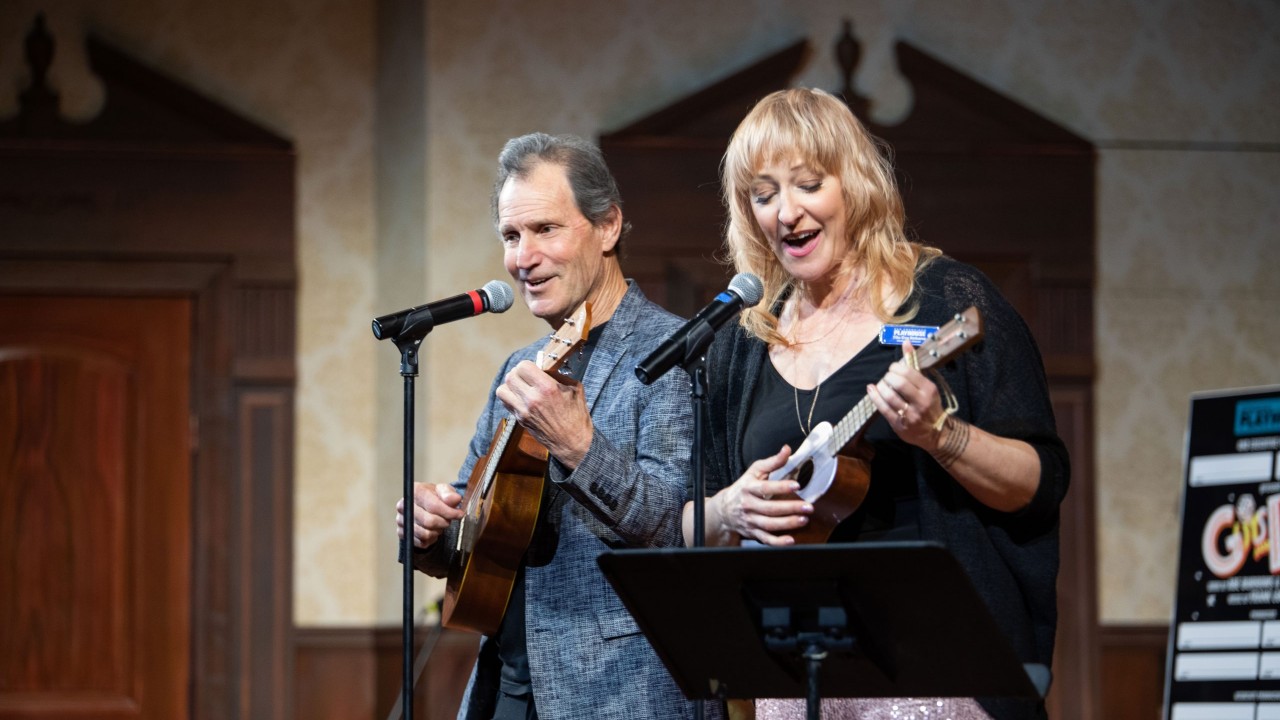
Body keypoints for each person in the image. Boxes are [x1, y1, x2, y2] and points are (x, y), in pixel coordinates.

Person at [684, 88, 1070, 720]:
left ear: (855, 185)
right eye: (764, 194)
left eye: (808, 184)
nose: (786, 212)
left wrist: (942, 436)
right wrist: (731, 508)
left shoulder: (945, 299)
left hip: (932, 672)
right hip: (794, 678)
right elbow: (690, 521)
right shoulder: (744, 340)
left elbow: (1041, 483)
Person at [397, 133, 714, 720]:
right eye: (511, 236)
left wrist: (580, 446)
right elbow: (478, 540)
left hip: (624, 691)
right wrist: (431, 530)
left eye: (546, 229)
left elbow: (680, 530)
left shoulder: (677, 356)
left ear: (609, 226)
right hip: (508, 686)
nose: (523, 257)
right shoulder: (519, 367)